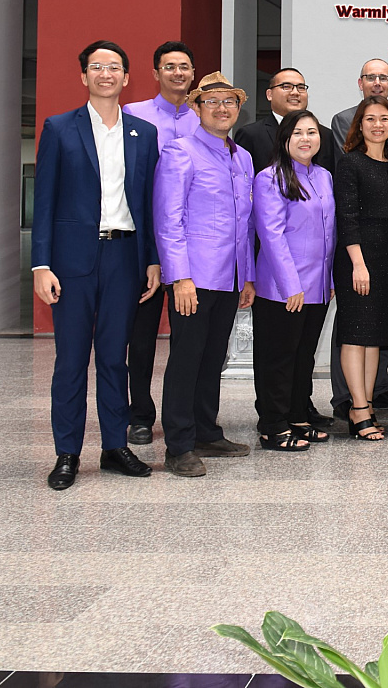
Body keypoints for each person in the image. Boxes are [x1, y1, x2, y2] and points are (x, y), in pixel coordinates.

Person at [32, 40, 159, 490]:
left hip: (124, 257)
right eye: (97, 67)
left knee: (113, 358)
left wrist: (152, 260)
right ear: (84, 75)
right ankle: (67, 453)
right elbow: (44, 201)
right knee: (70, 360)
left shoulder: (144, 133)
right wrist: (41, 264)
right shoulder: (59, 128)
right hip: (72, 261)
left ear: (127, 77)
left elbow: (148, 203)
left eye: (115, 67)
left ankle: (114, 446)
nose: (106, 74)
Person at [154, 71, 256, 477]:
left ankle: (206, 431)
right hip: (194, 279)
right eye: (211, 102)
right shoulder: (180, 151)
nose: (221, 108)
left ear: (238, 108)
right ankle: (178, 444)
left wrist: (247, 277)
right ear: (196, 108)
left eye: (229, 101)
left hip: (230, 276)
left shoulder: (242, 157)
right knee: (186, 359)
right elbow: (169, 219)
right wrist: (179, 277)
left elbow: (246, 222)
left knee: (214, 357)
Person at [122, 39, 199, 446]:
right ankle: (139, 413)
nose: (178, 73)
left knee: (190, 336)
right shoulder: (133, 115)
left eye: (184, 66)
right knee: (141, 335)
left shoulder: (203, 117)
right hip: (144, 238)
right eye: (170, 66)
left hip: (193, 244)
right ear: (155, 73)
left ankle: (186, 414)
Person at [251, 109, 337, 450]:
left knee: (304, 355)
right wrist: (291, 285)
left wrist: (330, 279)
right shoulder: (270, 178)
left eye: (311, 132)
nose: (306, 139)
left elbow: (329, 232)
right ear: (285, 138)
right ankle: (273, 425)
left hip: (318, 284)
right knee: (279, 357)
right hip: (283, 287)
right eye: (298, 132)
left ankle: (298, 415)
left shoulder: (324, 176)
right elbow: (271, 235)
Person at [329, 58, 388, 416]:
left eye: (384, 119)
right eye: (370, 119)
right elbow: (346, 217)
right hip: (358, 260)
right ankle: (357, 409)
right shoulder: (350, 162)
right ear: (359, 124)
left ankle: (369, 403)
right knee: (356, 334)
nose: (378, 125)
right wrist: (358, 265)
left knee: (375, 337)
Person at [235, 67, 331, 172]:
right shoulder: (251, 134)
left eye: (301, 87)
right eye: (286, 87)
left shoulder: (325, 135)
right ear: (269, 95)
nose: (295, 92)